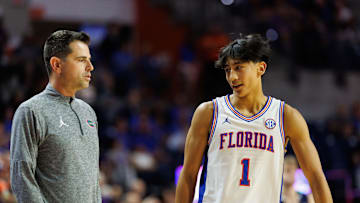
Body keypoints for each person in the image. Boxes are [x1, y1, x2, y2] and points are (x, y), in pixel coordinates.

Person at [175, 34, 332, 203]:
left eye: (239, 68)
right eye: (228, 70)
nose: (232, 77)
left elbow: (315, 177)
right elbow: (188, 176)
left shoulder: (286, 117)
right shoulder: (209, 112)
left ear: (261, 68)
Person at [10, 30, 101, 203]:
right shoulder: (31, 111)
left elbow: (93, 178)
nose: (90, 67)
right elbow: (22, 177)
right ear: (57, 65)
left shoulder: (88, 112)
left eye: (89, 60)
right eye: (81, 60)